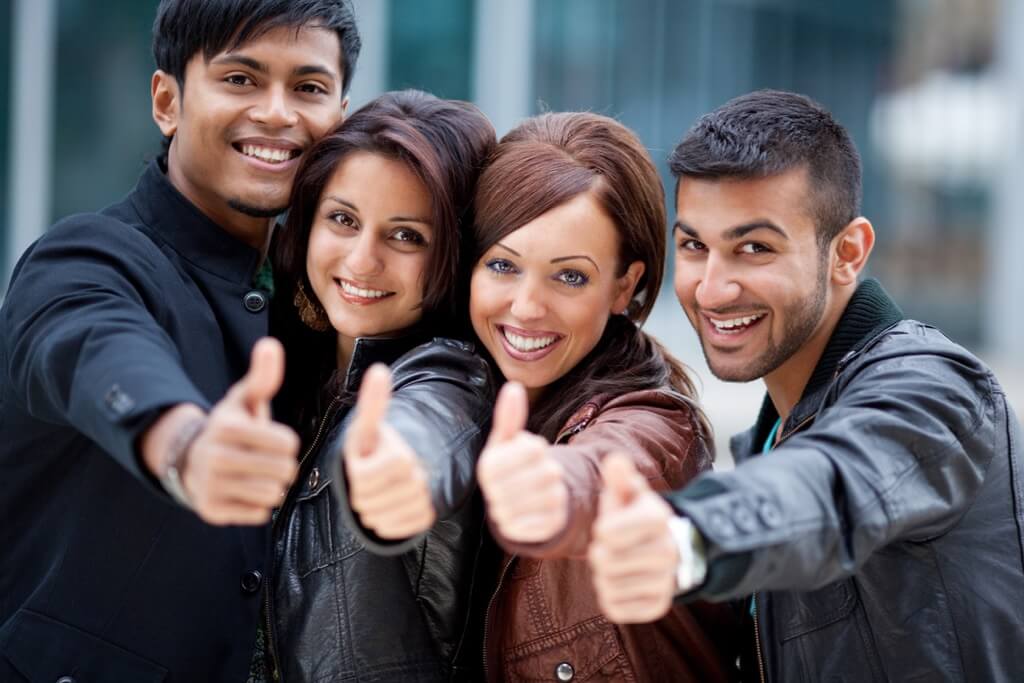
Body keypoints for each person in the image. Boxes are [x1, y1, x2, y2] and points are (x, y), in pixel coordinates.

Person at [588, 89, 1024, 682]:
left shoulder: (933, 387)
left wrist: (687, 539)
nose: (712, 290)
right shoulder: (770, 436)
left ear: (848, 253)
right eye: (695, 246)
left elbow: (831, 485)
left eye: (754, 248)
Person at [0, 1, 360, 680]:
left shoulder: (322, 291)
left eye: (308, 88)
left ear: (339, 115)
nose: (278, 114)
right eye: (241, 79)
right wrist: (186, 445)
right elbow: (95, 349)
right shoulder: (84, 257)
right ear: (168, 100)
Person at [469, 112, 737, 682]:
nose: (525, 307)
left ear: (623, 286)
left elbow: (617, 462)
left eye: (569, 277)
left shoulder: (658, 428)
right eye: (501, 264)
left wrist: (558, 487)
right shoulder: (466, 395)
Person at [262, 90, 497, 682]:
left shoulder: (449, 373)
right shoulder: (297, 370)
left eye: (406, 236)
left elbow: (428, 427)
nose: (362, 261)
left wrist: (394, 467)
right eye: (343, 220)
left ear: (454, 255)